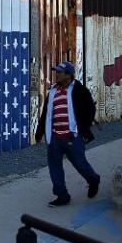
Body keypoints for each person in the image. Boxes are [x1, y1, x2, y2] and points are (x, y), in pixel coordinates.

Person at [34, 61, 101, 207]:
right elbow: (46, 114)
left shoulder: (79, 90)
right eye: (56, 71)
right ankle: (62, 195)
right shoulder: (52, 91)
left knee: (80, 164)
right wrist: (39, 133)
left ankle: (93, 179)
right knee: (54, 166)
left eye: (60, 72)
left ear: (69, 75)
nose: (56, 74)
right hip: (55, 137)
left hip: (72, 136)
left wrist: (83, 128)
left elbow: (90, 109)